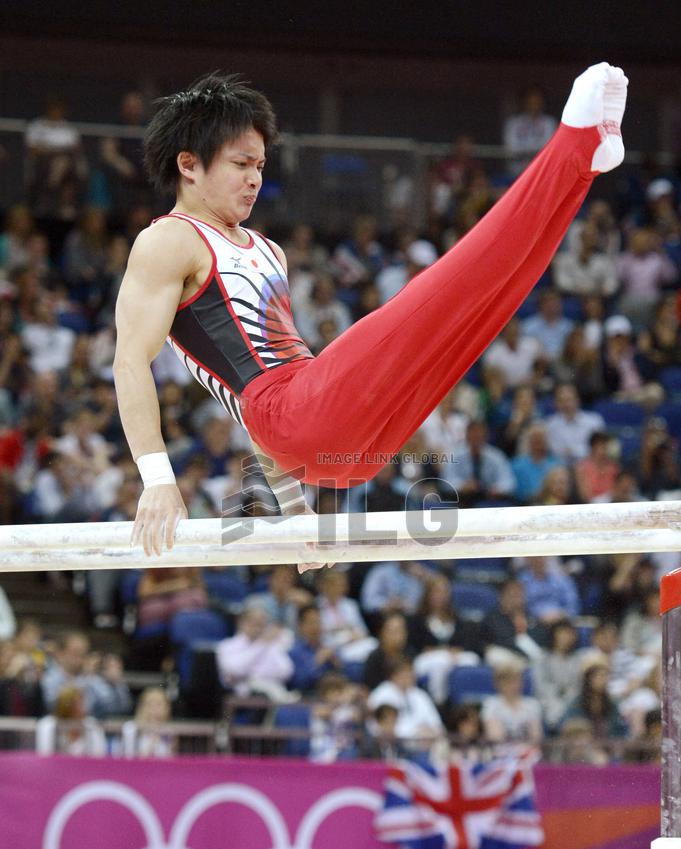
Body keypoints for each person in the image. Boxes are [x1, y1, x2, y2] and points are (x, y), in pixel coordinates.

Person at [113, 65, 628, 569]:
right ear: (189, 165)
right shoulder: (170, 239)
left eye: (261, 166)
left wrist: (295, 515)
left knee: (485, 309)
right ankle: (572, 143)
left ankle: (582, 168)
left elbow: (265, 409)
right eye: (241, 164)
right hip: (292, 416)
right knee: (453, 284)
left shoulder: (267, 250)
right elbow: (130, 362)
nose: (255, 180)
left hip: (333, 447)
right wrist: (157, 481)